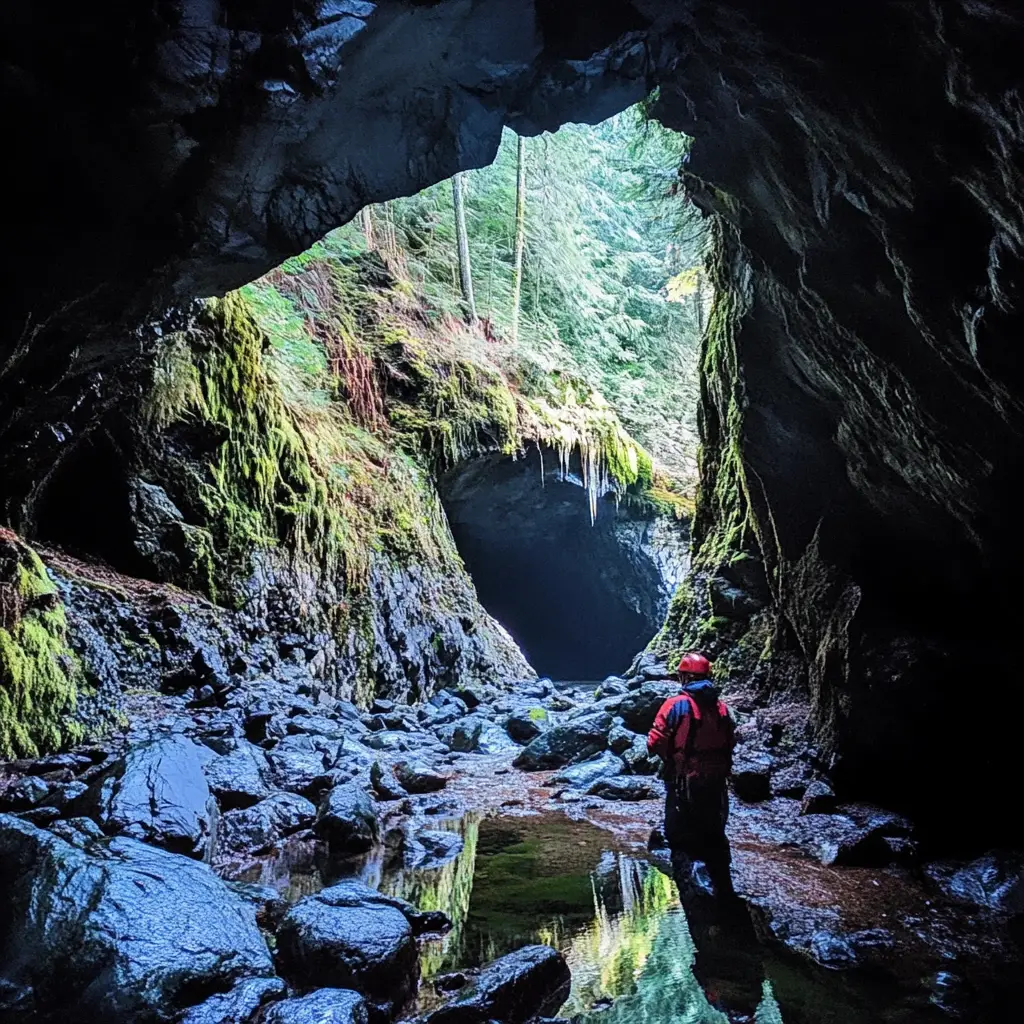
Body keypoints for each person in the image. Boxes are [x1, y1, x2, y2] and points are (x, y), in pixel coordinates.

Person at [647, 652, 737, 898]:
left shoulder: (676, 704)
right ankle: (723, 881)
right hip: (716, 776)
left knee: (680, 830)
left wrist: (670, 759)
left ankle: (696, 885)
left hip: (685, 775)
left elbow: (656, 740)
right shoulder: (722, 708)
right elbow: (730, 741)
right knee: (713, 823)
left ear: (685, 677)